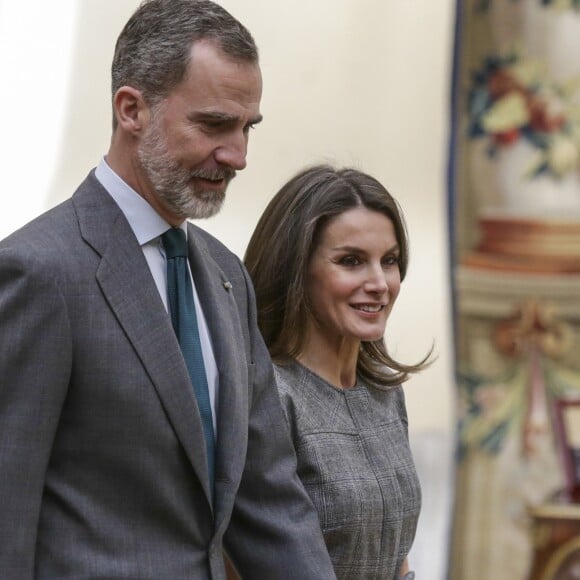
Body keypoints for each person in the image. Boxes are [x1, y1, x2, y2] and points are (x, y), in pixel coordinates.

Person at [0, 2, 337, 578]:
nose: (238, 156)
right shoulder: (39, 271)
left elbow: (271, 501)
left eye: (246, 127)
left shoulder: (229, 279)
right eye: (213, 125)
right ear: (131, 109)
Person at [244, 164, 432, 580]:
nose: (379, 282)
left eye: (390, 261)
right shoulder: (265, 394)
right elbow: (240, 560)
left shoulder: (385, 392)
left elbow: (396, 556)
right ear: (296, 269)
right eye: (351, 261)